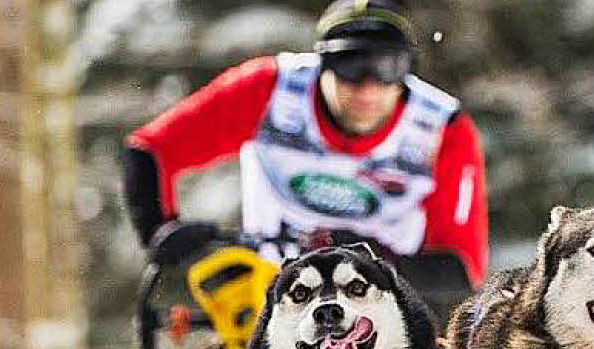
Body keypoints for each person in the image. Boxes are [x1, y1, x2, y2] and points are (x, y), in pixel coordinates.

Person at [122, 0, 489, 298]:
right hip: (269, 296)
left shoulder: (443, 129)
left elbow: (462, 268)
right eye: (350, 65)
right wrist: (161, 231)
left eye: (387, 69)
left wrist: (373, 260)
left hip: (382, 305)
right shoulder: (270, 91)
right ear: (323, 62)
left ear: (408, 70)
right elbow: (149, 150)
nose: (366, 87)